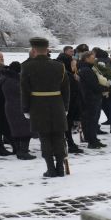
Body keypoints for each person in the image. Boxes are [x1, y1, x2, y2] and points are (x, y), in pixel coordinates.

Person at [20, 37, 71, 177]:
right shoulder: (59, 66)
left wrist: (25, 108)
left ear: (34, 50)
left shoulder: (26, 66)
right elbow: (66, 90)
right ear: (47, 49)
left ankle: (50, 169)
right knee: (59, 136)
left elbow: (25, 90)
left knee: (45, 138)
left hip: (38, 106)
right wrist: (66, 107)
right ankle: (60, 168)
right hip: (57, 105)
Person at [0, 61, 35, 160]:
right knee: (25, 130)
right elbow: (25, 93)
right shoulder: (15, 80)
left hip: (9, 107)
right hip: (19, 107)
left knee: (15, 130)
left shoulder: (4, 79)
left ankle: (18, 150)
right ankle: (23, 152)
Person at [77, 50, 106, 148]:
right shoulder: (86, 70)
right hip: (90, 98)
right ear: (86, 58)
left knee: (92, 120)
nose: (95, 60)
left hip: (91, 97)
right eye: (93, 58)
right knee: (91, 120)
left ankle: (93, 138)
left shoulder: (88, 68)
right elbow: (93, 85)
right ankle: (92, 141)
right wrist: (105, 88)